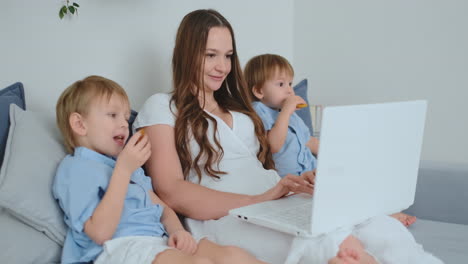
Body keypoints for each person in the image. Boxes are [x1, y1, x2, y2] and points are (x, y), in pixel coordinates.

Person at [133, 9, 443, 264]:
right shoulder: (161, 107)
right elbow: (171, 190)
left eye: (228, 56)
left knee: (379, 227)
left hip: (276, 200)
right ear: (185, 54)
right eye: (210, 55)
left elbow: (268, 164)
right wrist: (260, 199)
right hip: (228, 217)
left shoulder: (240, 109)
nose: (222, 66)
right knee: (330, 244)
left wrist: (298, 183)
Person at [53, 75, 268, 264]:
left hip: (157, 243)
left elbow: (162, 209)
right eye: (112, 115)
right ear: (80, 124)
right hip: (118, 249)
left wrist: (178, 232)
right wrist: (123, 171)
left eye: (126, 118)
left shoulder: (127, 166)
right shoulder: (78, 167)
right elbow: (100, 233)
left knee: (232, 256)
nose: (123, 125)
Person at [243, 53, 417, 228]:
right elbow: (273, 145)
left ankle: (381, 213)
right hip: (291, 185)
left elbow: (309, 142)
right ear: (259, 91)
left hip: (312, 175)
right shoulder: (259, 110)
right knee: (339, 200)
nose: (289, 90)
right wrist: (287, 111)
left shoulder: (293, 117)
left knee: (353, 182)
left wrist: (340, 154)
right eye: (281, 84)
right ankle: (378, 219)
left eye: (290, 83)